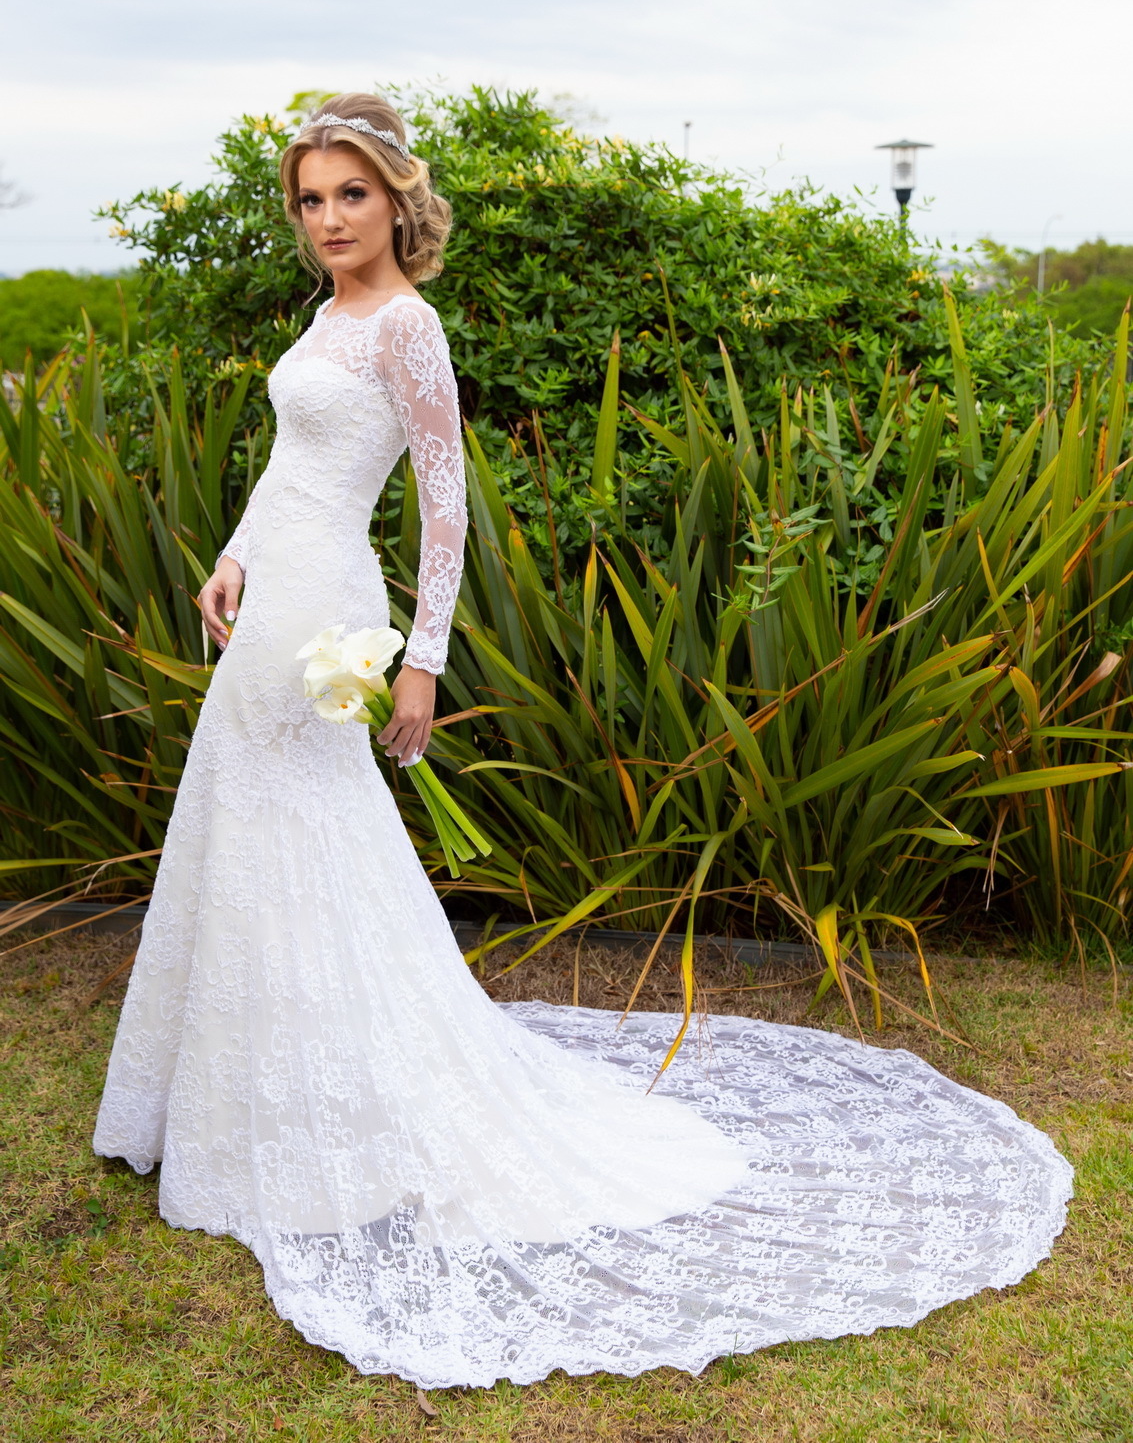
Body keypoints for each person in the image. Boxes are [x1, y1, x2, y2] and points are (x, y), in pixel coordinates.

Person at [93, 93, 1073, 1392]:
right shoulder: (327, 317)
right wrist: (228, 557)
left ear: (396, 201)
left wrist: (425, 663)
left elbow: (440, 507)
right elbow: (289, 472)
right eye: (311, 200)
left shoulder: (409, 324)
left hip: (329, 612)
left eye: (350, 195)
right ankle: (248, 1100)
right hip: (274, 590)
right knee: (252, 834)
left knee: (310, 840)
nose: (328, 220)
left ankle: (342, 1106)